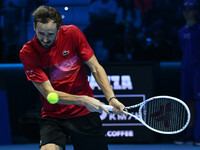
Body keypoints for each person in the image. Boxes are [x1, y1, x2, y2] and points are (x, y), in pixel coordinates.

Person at [19, 5, 125, 150]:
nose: (44, 39)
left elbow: (95, 67)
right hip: (54, 115)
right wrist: (83, 99)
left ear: (59, 28)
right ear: (34, 27)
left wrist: (111, 98)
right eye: (40, 33)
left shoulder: (72, 33)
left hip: (84, 114)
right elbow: (50, 95)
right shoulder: (28, 52)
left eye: (50, 34)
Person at [175, 0, 200, 146]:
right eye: (185, 9)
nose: (187, 12)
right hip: (186, 70)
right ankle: (190, 133)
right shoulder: (181, 31)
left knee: (198, 102)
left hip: (198, 70)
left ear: (196, 11)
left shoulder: (199, 29)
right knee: (188, 101)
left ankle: (198, 134)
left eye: (190, 9)